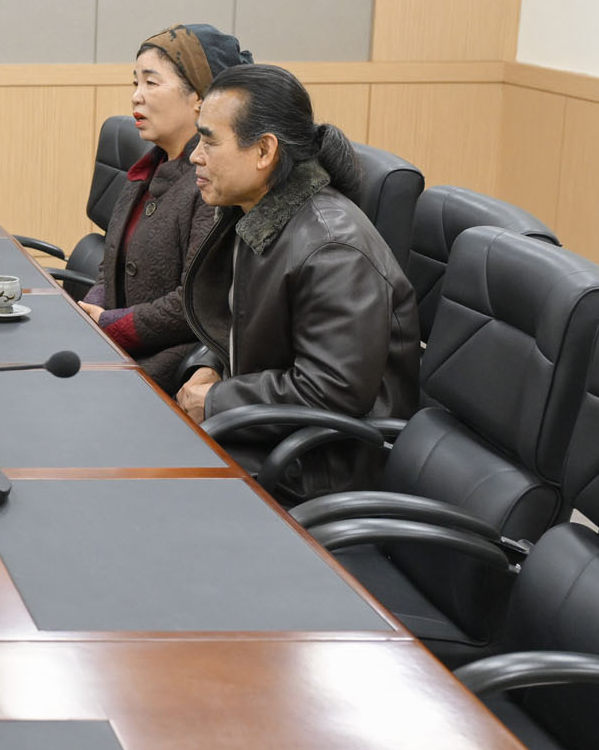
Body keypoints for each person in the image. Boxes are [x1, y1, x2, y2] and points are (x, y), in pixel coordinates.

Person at [174, 64, 420, 497]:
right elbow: (242, 321)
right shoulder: (257, 212)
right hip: (268, 435)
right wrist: (209, 368)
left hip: (316, 466)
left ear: (264, 151)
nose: (195, 155)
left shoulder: (332, 248)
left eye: (209, 141)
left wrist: (217, 400)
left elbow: (329, 391)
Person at [76, 23, 248, 391]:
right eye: (135, 83)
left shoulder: (214, 183)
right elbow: (111, 262)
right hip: (119, 352)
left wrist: (106, 324)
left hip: (172, 372)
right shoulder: (149, 167)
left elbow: (195, 303)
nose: (136, 97)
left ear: (201, 98)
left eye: (151, 83)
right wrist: (88, 314)